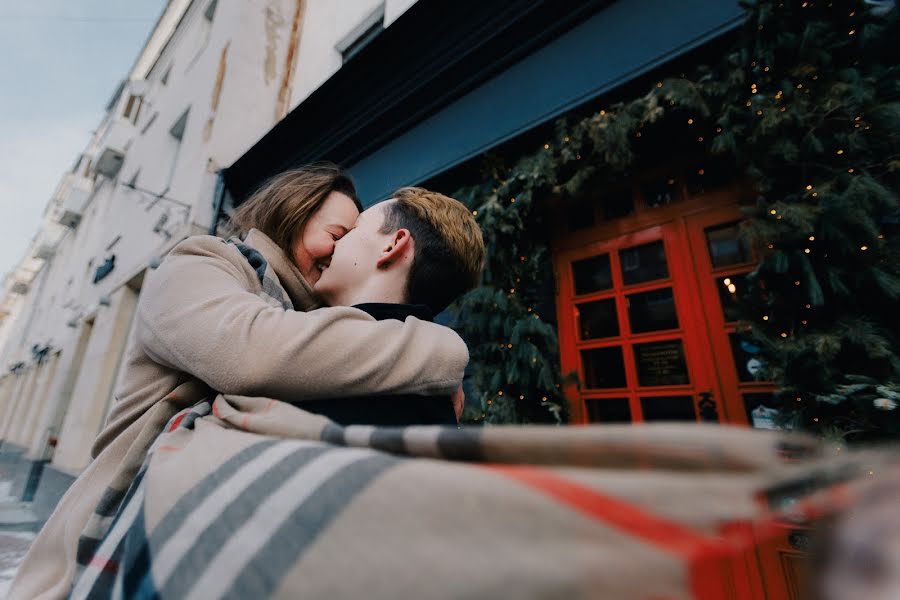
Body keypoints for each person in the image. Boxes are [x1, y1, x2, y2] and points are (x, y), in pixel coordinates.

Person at [10, 164, 475, 600]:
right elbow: (250, 352)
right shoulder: (204, 263)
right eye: (337, 233)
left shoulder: (328, 332)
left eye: (351, 236)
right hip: (104, 541)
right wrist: (439, 350)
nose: (339, 248)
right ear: (292, 216)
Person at [300, 186, 485, 425]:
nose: (333, 244)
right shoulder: (432, 389)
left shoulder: (316, 376)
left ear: (392, 246)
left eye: (352, 230)